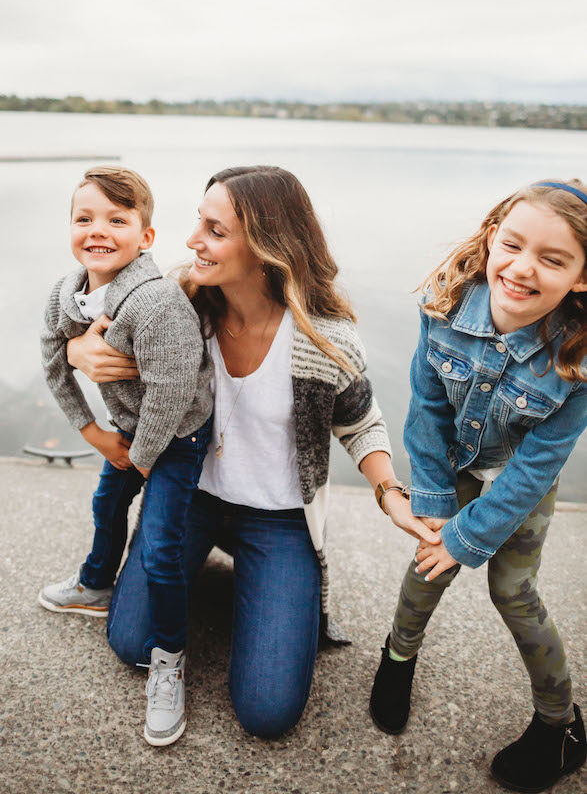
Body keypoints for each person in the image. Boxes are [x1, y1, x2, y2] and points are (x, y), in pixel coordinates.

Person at [66, 165, 440, 741]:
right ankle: (211, 569)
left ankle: (260, 583)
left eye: (215, 230)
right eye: (199, 221)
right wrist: (79, 349)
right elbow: (90, 311)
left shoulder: (323, 338)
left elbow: (361, 422)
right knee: (131, 644)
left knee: (267, 714)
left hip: (278, 519)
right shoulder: (180, 301)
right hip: (191, 497)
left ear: (267, 245)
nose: (192, 240)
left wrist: (390, 492)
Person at [369, 179, 587, 793]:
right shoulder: (442, 309)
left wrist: (471, 536)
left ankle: (560, 725)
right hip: (454, 464)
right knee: (427, 567)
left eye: (553, 258)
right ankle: (397, 658)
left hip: (520, 481)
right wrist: (438, 506)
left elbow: (538, 466)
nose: (522, 269)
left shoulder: (576, 359)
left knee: (514, 592)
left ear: (582, 276)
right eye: (512, 245)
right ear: (492, 239)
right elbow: (427, 412)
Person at [38, 165, 213, 747]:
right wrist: (91, 431)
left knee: (161, 547)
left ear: (146, 237)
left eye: (117, 219)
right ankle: (96, 583)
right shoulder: (68, 294)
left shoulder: (157, 300)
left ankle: (169, 659)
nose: (98, 231)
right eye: (84, 218)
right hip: (126, 432)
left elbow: (172, 391)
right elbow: (53, 363)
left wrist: (139, 457)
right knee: (105, 506)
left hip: (177, 437)